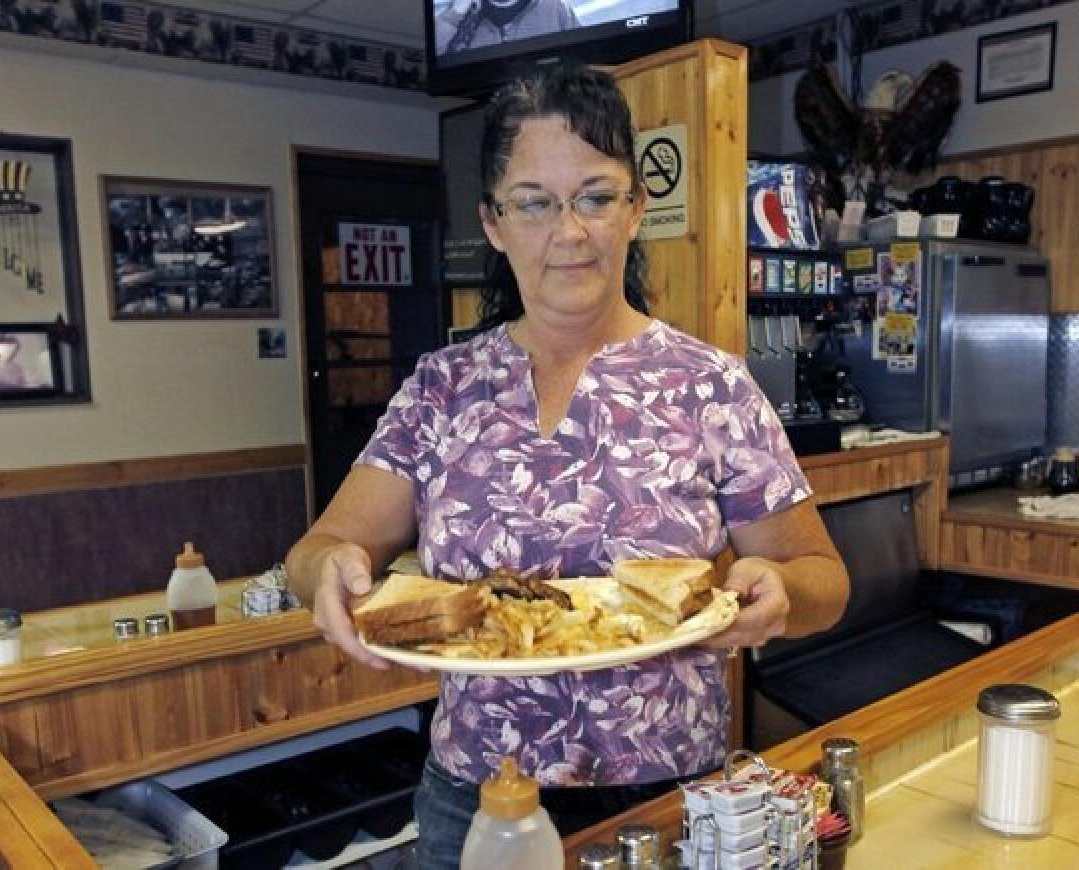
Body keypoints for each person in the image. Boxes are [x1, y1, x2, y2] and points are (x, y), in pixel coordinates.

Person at [286, 63, 850, 869]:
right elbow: (317, 551)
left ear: (634, 210)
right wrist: (329, 572)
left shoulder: (709, 385)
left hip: (671, 799)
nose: (569, 231)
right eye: (535, 203)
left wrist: (784, 593)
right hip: (478, 801)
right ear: (493, 221)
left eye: (594, 196)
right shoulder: (443, 388)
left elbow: (825, 578)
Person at [434, 0, 579, 55]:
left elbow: (585, 57)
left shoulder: (553, 7)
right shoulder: (462, 15)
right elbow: (435, 55)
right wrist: (455, 13)